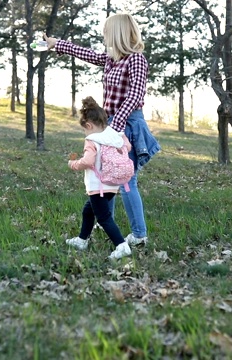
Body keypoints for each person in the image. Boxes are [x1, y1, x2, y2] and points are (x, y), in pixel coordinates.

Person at [45, 13, 160, 246]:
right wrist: (58, 44)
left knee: (127, 181)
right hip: (112, 124)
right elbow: (87, 54)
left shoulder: (136, 60)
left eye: (107, 31)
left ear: (117, 33)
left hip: (127, 124)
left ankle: (139, 235)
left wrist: (115, 128)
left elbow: (136, 95)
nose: (104, 35)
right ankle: (109, 224)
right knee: (108, 176)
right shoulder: (110, 59)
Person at [67, 96, 133, 260]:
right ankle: (82, 240)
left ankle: (121, 245)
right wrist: (123, 138)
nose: (85, 133)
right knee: (88, 211)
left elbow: (88, 161)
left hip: (98, 187)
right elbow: (128, 147)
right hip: (113, 185)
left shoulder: (92, 140)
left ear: (88, 125)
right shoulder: (114, 136)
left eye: (85, 129)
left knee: (104, 218)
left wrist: (74, 164)